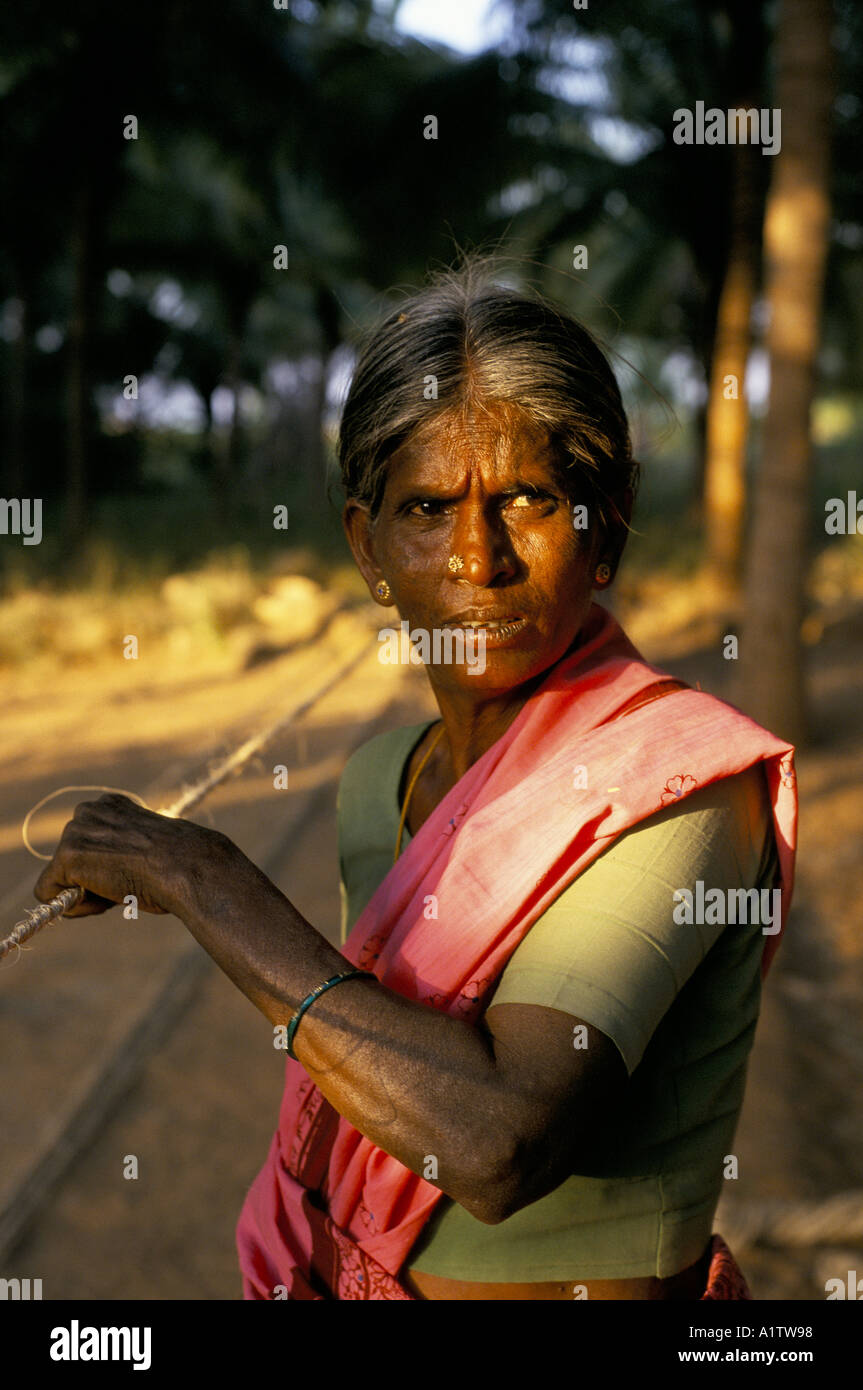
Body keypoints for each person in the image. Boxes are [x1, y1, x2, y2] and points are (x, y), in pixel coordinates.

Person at [35, 262, 796, 1301]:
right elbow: (370, 1075)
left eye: (528, 501)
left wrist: (204, 879)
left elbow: (494, 1143)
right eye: (429, 508)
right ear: (369, 549)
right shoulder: (378, 782)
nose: (476, 559)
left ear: (606, 525)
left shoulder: (678, 789)